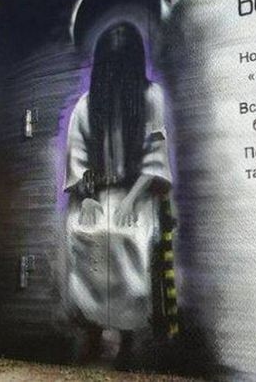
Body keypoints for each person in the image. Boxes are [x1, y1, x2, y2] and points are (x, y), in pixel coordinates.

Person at [63, 22, 172, 365]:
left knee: (129, 238)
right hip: (95, 194)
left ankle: (126, 335)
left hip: (136, 193)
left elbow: (155, 154)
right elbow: (78, 155)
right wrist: (87, 196)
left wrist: (131, 199)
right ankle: (93, 328)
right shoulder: (86, 105)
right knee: (86, 235)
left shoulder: (151, 96)